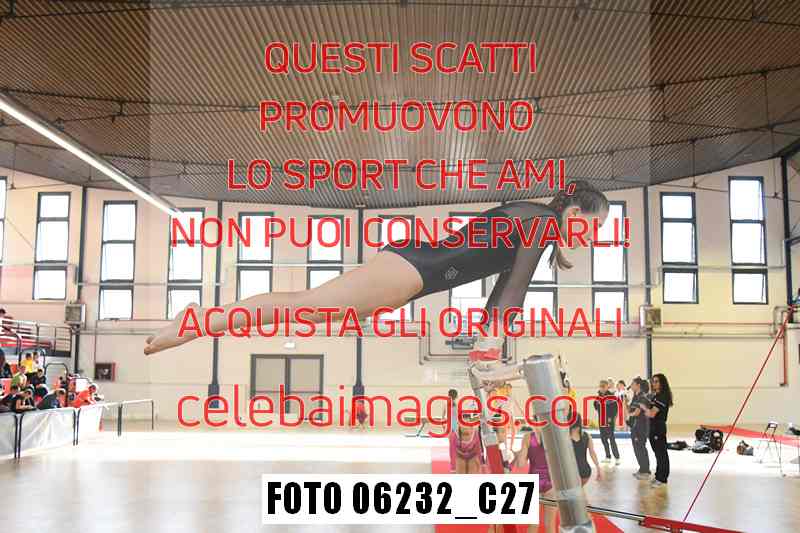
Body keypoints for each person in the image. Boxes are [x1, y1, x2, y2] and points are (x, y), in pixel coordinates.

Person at [143, 181, 611, 355]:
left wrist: (488, 344)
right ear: (574, 213)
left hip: (414, 278)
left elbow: (504, 292)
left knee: (309, 310)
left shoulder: (537, 223)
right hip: (413, 268)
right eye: (593, 227)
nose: (591, 238)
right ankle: (199, 320)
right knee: (305, 306)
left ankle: (202, 319)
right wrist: (489, 347)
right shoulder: (539, 222)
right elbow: (513, 293)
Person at [514, 426, 556, 533]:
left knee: (533, 525)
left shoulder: (527, 437)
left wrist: (518, 454)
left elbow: (521, 464)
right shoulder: (554, 437)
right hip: (551, 483)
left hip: (533, 482)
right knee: (550, 525)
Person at [640, 373, 673, 487]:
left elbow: (651, 414)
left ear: (662, 383)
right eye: (653, 381)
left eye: (656, 381)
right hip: (653, 427)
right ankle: (658, 475)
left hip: (658, 427)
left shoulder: (662, 397)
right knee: (657, 453)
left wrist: (643, 407)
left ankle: (662, 478)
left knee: (661, 453)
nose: (654, 383)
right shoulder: (656, 396)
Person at [628, 377, 651, 479]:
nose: (631, 386)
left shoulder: (642, 397)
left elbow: (637, 412)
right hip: (634, 426)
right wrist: (624, 402)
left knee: (640, 448)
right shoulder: (635, 397)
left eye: (633, 384)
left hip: (640, 427)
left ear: (638, 385)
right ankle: (642, 469)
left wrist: (630, 415)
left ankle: (646, 471)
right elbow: (629, 410)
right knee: (637, 449)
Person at [593, 379, 620, 465]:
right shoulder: (598, 397)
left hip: (609, 421)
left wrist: (611, 418)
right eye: (600, 386)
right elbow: (595, 406)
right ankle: (608, 456)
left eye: (603, 386)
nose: (601, 388)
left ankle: (617, 457)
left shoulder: (611, 396)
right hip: (601, 420)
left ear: (607, 387)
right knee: (603, 438)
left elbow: (615, 409)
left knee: (611, 438)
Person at [571, 415, 602, 485]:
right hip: (584, 470)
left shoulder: (566, 436)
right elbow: (592, 453)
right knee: (579, 489)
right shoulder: (587, 436)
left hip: (570, 471)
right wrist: (598, 467)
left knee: (573, 490)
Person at [445, 388, 459, 471]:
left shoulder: (447, 404)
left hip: (450, 427)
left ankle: (453, 466)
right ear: (456, 396)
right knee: (456, 447)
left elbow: (443, 417)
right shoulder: (455, 405)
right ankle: (455, 465)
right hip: (454, 427)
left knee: (452, 447)